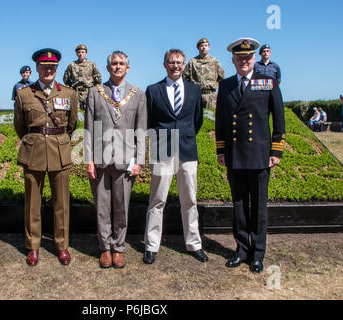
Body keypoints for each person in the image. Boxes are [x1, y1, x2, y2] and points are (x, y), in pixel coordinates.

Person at [215, 38, 285, 273]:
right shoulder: (225, 86)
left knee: (258, 207)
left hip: (259, 154)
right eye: (239, 58)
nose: (244, 61)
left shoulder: (268, 82)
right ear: (233, 60)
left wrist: (276, 151)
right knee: (239, 205)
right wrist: (221, 150)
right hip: (235, 154)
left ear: (254, 59)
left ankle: (258, 254)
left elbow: (279, 120)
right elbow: (221, 120)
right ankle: (241, 249)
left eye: (248, 57)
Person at [143, 49, 208, 265]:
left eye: (179, 62)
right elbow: (149, 122)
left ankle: (194, 244)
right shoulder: (153, 90)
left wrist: (185, 137)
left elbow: (197, 120)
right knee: (157, 200)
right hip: (162, 151)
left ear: (185, 64)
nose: (175, 66)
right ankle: (151, 245)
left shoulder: (194, 90)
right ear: (164, 64)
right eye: (171, 62)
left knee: (189, 200)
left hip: (188, 151)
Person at [14, 48, 78, 267]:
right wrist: (35, 140)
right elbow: (20, 126)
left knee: (62, 203)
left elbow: (71, 124)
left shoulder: (69, 94)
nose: (48, 70)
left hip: (60, 152)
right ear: (37, 69)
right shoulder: (24, 94)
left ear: (56, 68)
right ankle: (33, 246)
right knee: (32, 203)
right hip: (34, 152)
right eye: (44, 66)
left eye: (52, 67)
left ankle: (62, 245)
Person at [85, 51, 147, 269]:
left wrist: (138, 160)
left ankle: (118, 248)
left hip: (126, 160)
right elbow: (89, 129)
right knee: (102, 207)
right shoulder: (95, 93)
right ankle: (104, 248)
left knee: (121, 207)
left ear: (127, 68)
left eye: (121, 64)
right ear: (107, 67)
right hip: (101, 159)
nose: (118, 66)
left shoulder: (138, 94)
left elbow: (141, 130)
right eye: (114, 63)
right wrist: (89, 160)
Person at [183, 38, 225, 109]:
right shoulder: (192, 62)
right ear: (198, 48)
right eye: (202, 46)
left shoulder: (214, 61)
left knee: (209, 119)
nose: (204, 47)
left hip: (211, 96)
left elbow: (221, 77)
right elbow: (185, 78)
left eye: (206, 45)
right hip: (195, 95)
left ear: (209, 47)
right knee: (195, 118)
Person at [63, 44, 102, 110]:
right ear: (76, 54)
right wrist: (71, 88)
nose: (80, 54)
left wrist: (94, 89)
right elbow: (66, 79)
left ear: (86, 53)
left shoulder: (91, 64)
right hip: (76, 93)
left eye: (82, 52)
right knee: (76, 114)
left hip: (89, 92)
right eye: (79, 52)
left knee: (91, 112)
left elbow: (98, 79)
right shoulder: (72, 65)